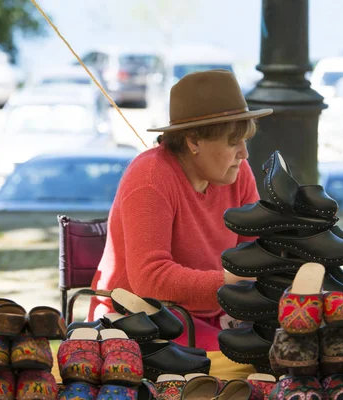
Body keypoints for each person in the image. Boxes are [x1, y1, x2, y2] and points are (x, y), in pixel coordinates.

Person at [88, 69, 273, 379]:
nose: (244, 153)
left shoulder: (237, 172)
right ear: (194, 140)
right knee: (249, 365)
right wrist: (232, 284)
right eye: (233, 142)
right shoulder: (150, 178)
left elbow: (255, 250)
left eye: (244, 141)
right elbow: (151, 280)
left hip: (216, 317)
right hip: (144, 322)